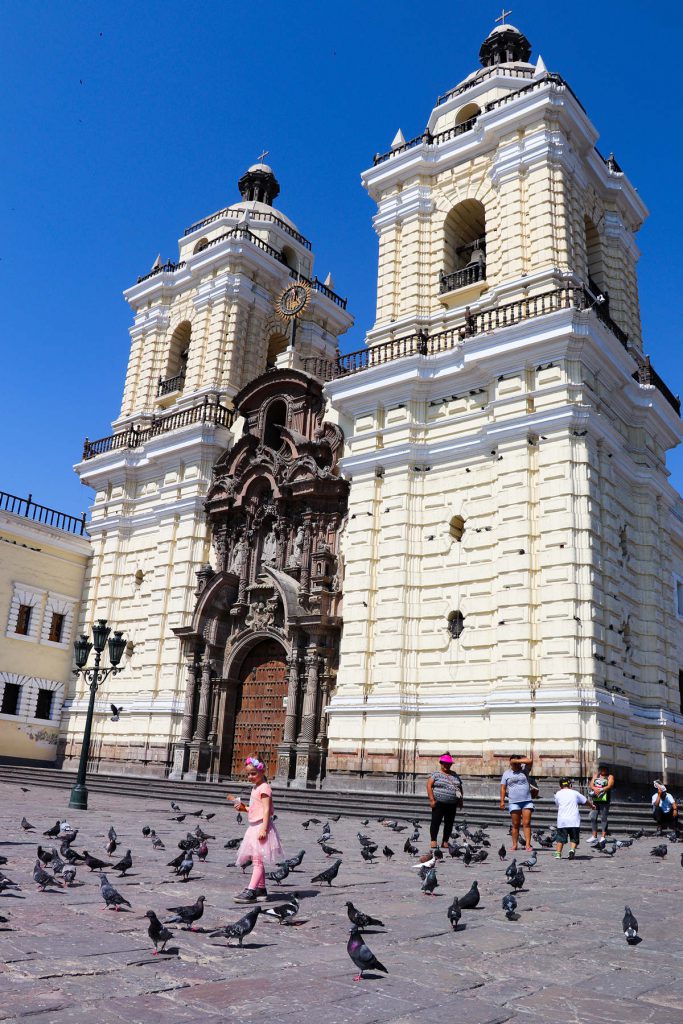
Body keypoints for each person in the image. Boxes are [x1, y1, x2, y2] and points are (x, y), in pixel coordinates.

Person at [227, 755, 284, 903]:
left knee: (258, 861)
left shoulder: (264, 788)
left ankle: (251, 890)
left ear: (262, 771)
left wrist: (264, 829)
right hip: (254, 826)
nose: (250, 776)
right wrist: (243, 808)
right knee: (256, 859)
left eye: (253, 773)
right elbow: (255, 808)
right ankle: (261, 889)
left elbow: (266, 810)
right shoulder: (256, 788)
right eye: (248, 774)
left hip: (260, 826)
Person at [500, 754, 537, 852]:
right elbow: (503, 788)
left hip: (527, 801)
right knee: (515, 824)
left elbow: (530, 760)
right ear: (510, 763)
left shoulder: (525, 770)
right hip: (514, 802)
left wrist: (517, 761)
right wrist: (502, 801)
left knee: (527, 823)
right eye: (514, 763)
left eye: (518, 763)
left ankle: (528, 845)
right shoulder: (506, 774)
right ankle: (515, 845)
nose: (516, 765)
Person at [426, 753, 463, 849]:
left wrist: (460, 800)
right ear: (441, 763)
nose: (447, 765)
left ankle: (445, 841)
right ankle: (433, 840)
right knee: (436, 822)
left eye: (448, 764)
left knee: (449, 823)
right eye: (445, 763)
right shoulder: (436, 774)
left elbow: (459, 787)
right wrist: (431, 800)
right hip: (439, 803)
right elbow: (429, 785)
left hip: (452, 804)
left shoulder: (455, 775)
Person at [553, 777, 595, 859]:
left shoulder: (558, 794)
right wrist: (592, 806)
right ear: (570, 785)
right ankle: (572, 850)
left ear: (560, 786)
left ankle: (558, 853)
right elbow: (585, 800)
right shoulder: (575, 793)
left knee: (560, 839)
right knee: (574, 838)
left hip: (562, 821)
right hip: (574, 820)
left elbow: (557, 804)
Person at [587, 765, 615, 844]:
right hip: (596, 800)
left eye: (604, 769)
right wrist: (595, 788)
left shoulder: (610, 776)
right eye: (601, 769)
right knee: (593, 817)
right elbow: (591, 784)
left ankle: (603, 837)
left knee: (603, 818)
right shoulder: (596, 775)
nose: (603, 770)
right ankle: (594, 836)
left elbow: (610, 785)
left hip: (605, 800)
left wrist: (602, 789)